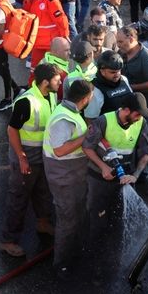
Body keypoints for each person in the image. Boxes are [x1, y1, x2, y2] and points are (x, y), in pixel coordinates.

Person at [0, 64, 60, 257]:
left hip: (43, 157)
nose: (60, 82)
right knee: (18, 199)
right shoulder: (26, 101)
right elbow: (12, 130)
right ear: (45, 82)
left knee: (43, 193)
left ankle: (43, 223)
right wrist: (21, 158)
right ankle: (8, 240)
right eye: (56, 80)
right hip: (26, 158)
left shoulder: (51, 95)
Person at [83, 92, 148, 247]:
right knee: (97, 215)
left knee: (123, 217)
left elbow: (145, 154)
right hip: (99, 178)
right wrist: (103, 167)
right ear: (126, 110)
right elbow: (87, 147)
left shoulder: (142, 123)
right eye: (137, 114)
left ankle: (117, 246)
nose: (139, 118)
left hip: (125, 178)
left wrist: (135, 175)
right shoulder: (103, 121)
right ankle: (95, 247)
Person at [42, 78, 94, 279]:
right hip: (64, 177)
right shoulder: (64, 118)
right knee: (67, 220)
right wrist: (85, 137)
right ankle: (61, 264)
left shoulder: (70, 111)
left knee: (75, 216)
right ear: (85, 99)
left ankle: (74, 253)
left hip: (72, 175)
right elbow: (60, 150)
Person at [117, 25, 148, 186]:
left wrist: (129, 86)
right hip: (132, 112)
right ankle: (142, 177)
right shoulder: (123, 54)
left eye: (121, 41)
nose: (118, 44)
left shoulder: (146, 57)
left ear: (131, 38)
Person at [24, 0, 70, 71]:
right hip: (37, 42)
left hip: (50, 44)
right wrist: (28, 0)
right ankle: (32, 84)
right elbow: (27, 14)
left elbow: (61, 19)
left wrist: (64, 36)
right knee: (35, 68)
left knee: (52, 70)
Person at [85, 50, 132, 120]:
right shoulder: (95, 88)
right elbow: (90, 118)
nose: (117, 74)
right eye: (113, 72)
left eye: (119, 71)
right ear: (102, 71)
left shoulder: (123, 79)